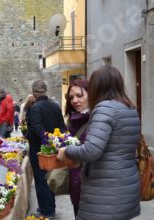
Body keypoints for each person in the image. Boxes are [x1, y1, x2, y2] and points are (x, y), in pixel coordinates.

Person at [57, 66, 141, 220]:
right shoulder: (130, 109)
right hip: (126, 185)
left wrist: (67, 150)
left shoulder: (104, 109)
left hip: (105, 189)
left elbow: (91, 150)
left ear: (96, 87)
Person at [27, 80, 66, 218]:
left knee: (41, 180)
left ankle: (46, 210)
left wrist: (46, 140)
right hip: (54, 149)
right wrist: (56, 142)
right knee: (50, 178)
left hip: (39, 150)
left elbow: (37, 129)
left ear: (33, 92)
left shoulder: (35, 108)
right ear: (46, 91)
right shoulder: (55, 106)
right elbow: (63, 128)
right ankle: (50, 207)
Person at [64, 79, 89, 218]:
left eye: (79, 96)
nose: (74, 100)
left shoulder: (98, 119)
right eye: (71, 97)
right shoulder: (73, 119)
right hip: (76, 180)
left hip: (93, 185)